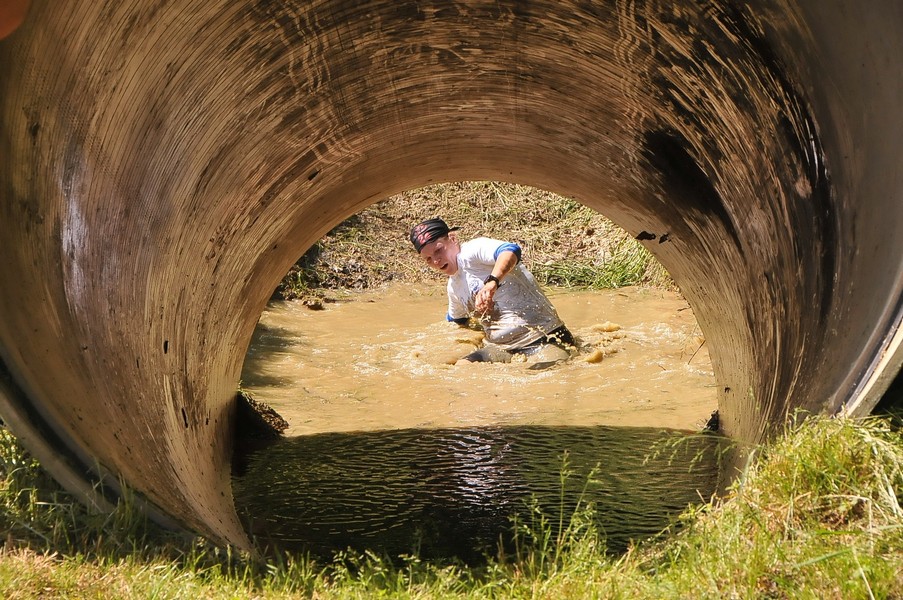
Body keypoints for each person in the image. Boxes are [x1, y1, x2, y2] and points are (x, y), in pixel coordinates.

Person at [410, 217, 575, 366]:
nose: (436, 261)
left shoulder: (472, 251)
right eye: (428, 259)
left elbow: (511, 251)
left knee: (536, 377)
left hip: (545, 338)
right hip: (503, 348)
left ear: (452, 238)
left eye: (439, 250)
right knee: (462, 367)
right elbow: (457, 322)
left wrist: (492, 282)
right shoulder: (453, 287)